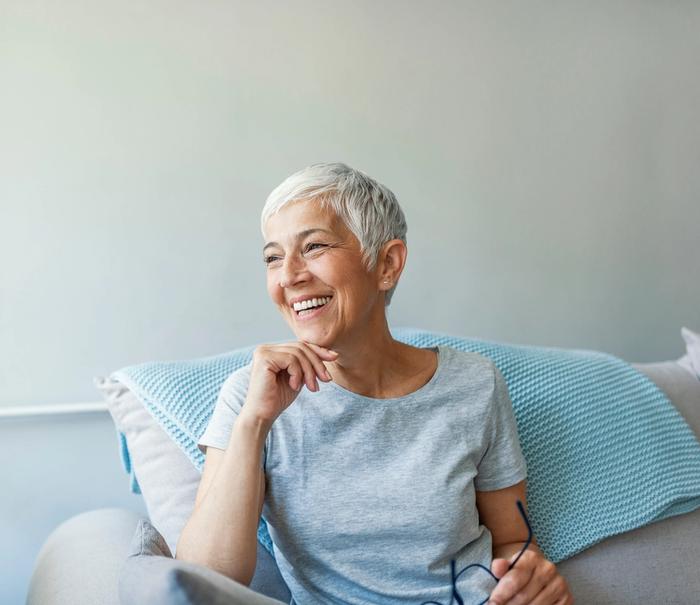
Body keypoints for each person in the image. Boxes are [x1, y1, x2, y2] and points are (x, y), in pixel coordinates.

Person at [177, 162, 573, 605]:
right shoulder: (250, 396)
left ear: (387, 263)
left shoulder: (475, 385)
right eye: (273, 257)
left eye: (314, 246)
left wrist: (534, 584)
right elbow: (203, 579)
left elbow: (513, 542)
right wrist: (253, 423)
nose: (289, 275)